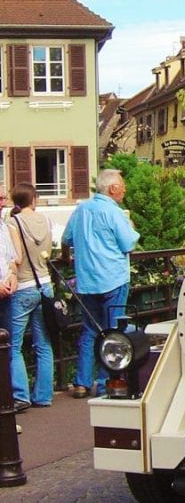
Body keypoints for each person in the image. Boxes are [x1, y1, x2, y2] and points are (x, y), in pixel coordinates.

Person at [61, 169, 140, 398]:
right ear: (113, 188)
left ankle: (81, 382)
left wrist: (67, 257)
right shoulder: (114, 212)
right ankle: (108, 381)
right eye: (122, 185)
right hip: (113, 278)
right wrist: (131, 225)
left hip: (87, 280)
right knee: (113, 331)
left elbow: (66, 239)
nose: (124, 189)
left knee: (89, 330)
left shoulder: (81, 209)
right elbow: (128, 244)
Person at [6, 183, 54, 411]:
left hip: (23, 285)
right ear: (33, 199)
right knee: (43, 343)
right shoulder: (45, 221)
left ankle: (20, 394)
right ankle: (43, 395)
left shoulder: (13, 223)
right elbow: (50, 253)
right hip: (45, 284)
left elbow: (16, 256)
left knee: (14, 345)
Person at [0, 187, 19, 336]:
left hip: (5, 297)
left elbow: (12, 259)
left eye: (4, 198)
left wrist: (13, 276)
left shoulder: (4, 228)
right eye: (0, 199)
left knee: (7, 348)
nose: (3, 203)